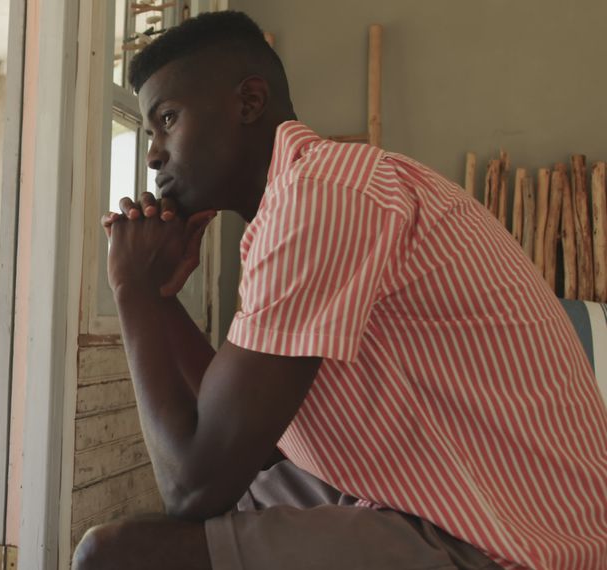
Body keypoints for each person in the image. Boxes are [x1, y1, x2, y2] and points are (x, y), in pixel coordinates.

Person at [72, 10, 607, 570]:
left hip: (508, 542)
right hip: (427, 497)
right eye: (151, 130)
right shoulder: (297, 205)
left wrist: (130, 288)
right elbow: (247, 446)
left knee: (113, 557)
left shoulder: (320, 196)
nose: (154, 152)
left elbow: (191, 486)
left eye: (168, 119)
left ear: (249, 103)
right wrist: (161, 299)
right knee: (206, 522)